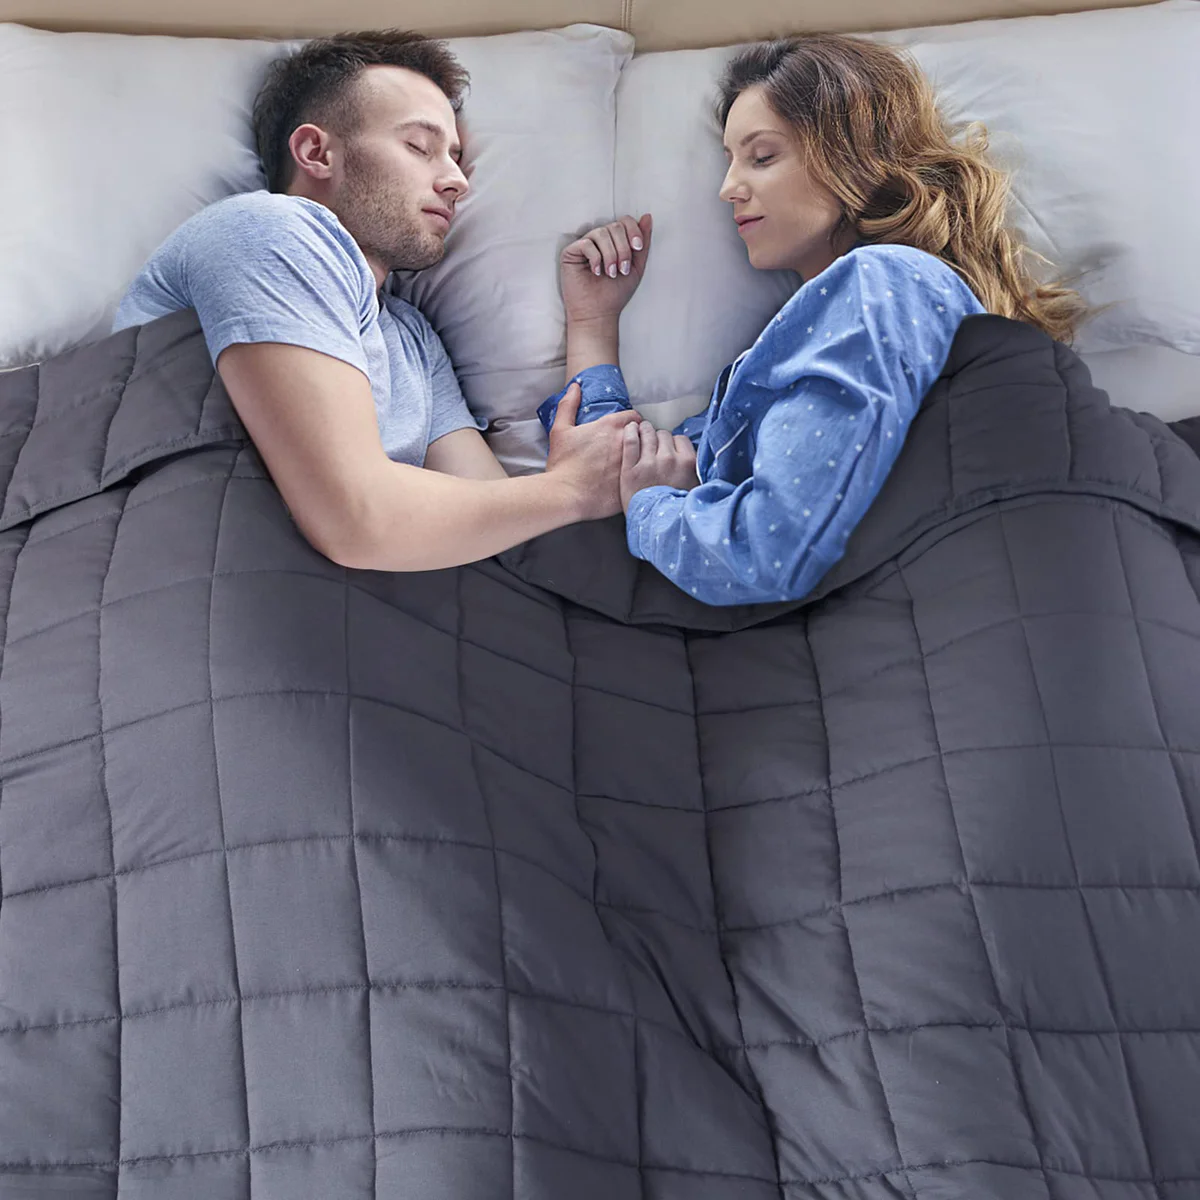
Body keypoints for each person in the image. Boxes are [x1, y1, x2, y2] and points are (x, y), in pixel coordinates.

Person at [540, 34, 1088, 605]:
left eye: (762, 157)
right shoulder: (825, 331)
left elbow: (766, 552)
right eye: (730, 161)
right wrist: (593, 320)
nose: (728, 188)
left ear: (849, 156)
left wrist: (653, 505)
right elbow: (612, 474)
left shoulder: (881, 285)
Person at [114, 31, 637, 572]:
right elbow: (357, 521)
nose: (457, 181)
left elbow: (500, 530)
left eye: (456, 158)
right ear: (316, 153)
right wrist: (573, 489)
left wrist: (591, 321)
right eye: (420, 147)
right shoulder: (266, 229)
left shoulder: (412, 339)